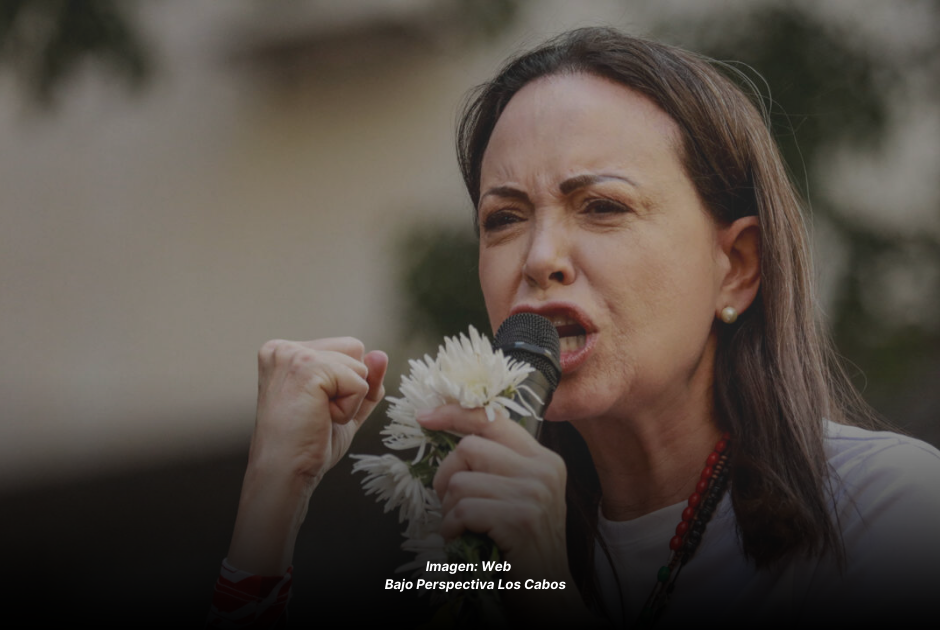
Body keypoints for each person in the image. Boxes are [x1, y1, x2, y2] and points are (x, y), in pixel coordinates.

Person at [209, 27, 940, 627]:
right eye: (504, 219)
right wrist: (273, 496)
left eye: (601, 207)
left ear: (737, 267)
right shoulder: (464, 541)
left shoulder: (890, 515)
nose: (540, 258)